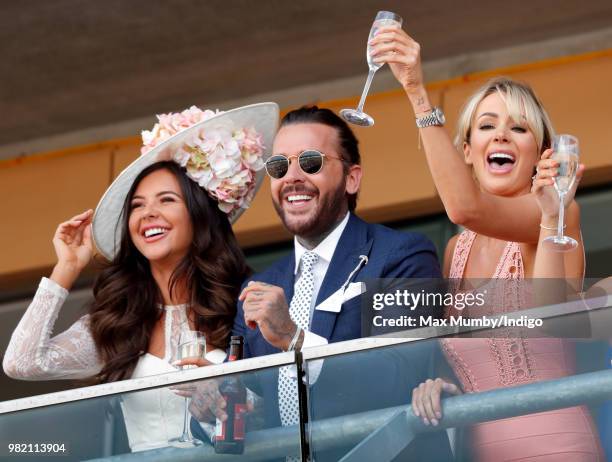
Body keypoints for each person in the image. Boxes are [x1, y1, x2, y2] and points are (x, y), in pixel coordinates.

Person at [369, 25, 603, 460]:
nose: (500, 135)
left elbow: (464, 208)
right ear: (467, 151)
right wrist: (438, 383)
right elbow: (459, 357)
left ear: (541, 153)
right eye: (487, 126)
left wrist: (418, 92)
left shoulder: (555, 214)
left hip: (556, 447)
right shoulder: (455, 252)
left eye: (519, 128)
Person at [2, 103, 279, 452]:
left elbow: (279, 412)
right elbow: (22, 363)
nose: (149, 214)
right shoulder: (118, 322)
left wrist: (226, 401)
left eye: (166, 200)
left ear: (199, 216)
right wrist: (67, 267)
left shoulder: (244, 305)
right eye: (137, 205)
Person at [189, 106, 453, 461]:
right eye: (279, 166)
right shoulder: (258, 288)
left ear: (352, 178)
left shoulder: (402, 255)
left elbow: (401, 376)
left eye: (310, 162)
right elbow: (251, 404)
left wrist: (294, 339)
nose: (292, 177)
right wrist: (213, 404)